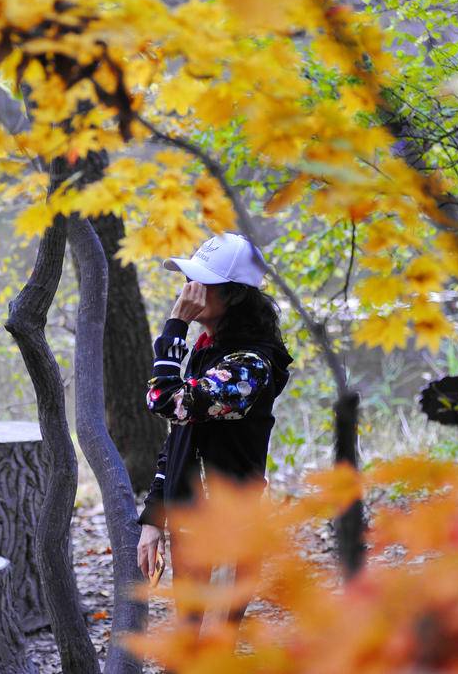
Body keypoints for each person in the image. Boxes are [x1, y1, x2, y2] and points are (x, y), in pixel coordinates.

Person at [136, 232, 294, 624]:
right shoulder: (208, 350)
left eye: (200, 281)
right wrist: (155, 518)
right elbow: (179, 437)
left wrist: (174, 327)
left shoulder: (250, 367)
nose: (188, 290)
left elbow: (165, 402)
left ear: (234, 295)